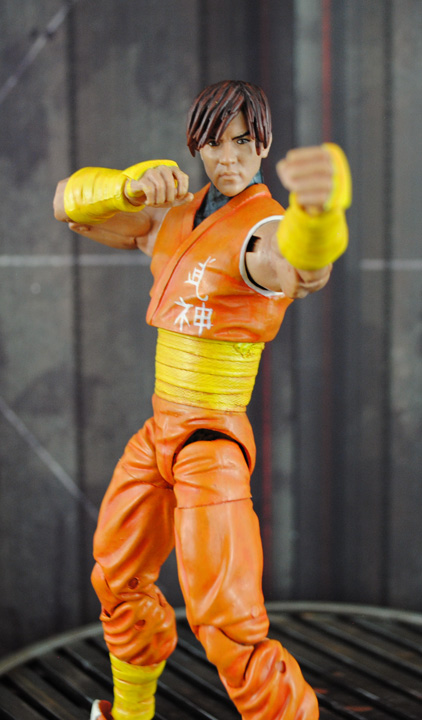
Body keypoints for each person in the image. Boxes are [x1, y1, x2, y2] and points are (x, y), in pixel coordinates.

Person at [54, 80, 351, 720]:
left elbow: (301, 268)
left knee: (226, 621)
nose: (229, 156)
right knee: (117, 578)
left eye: (242, 140)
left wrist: (319, 217)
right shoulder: (176, 216)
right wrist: (128, 187)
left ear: (264, 144)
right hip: (158, 434)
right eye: (215, 142)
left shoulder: (262, 231)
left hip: (209, 445)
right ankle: (131, 713)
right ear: (197, 145)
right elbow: (69, 206)